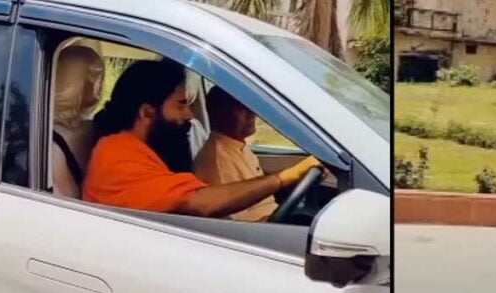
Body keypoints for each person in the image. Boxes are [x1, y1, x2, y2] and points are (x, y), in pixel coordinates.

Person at [84, 60, 319, 218]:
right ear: (147, 112)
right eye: (181, 104)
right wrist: (286, 176)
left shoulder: (147, 150)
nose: (189, 115)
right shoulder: (115, 155)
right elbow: (199, 202)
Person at [194, 86, 277, 222]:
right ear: (220, 115)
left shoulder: (236, 145)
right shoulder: (218, 160)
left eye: (250, 106)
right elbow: (236, 223)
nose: (251, 113)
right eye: (241, 108)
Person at [51, 45, 104, 199]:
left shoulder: (95, 127)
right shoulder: (49, 146)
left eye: (98, 80)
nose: (96, 89)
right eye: (92, 80)